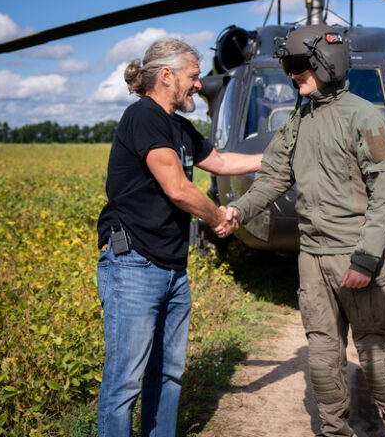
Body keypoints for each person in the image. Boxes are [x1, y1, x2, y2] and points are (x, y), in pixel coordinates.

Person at [216, 24, 385, 437]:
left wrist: (365, 259)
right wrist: (238, 211)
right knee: (323, 361)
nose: (292, 74)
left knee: (379, 360)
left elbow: (384, 194)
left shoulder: (364, 117)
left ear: (327, 63)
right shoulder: (298, 120)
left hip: (356, 256)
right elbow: (273, 178)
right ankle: (334, 431)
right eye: (288, 66)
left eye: (298, 65)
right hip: (312, 258)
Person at [95, 37, 262, 436]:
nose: (199, 85)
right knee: (125, 383)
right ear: (167, 75)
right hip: (134, 264)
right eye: (193, 76)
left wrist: (277, 157)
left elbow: (221, 161)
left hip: (173, 267)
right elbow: (178, 189)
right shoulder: (143, 116)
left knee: (168, 374)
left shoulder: (180, 127)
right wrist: (218, 217)